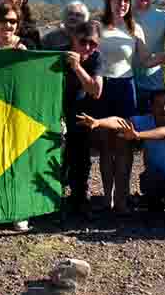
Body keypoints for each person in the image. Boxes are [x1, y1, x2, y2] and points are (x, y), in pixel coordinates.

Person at [91, 0, 165, 215]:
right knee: (105, 146)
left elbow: (146, 60)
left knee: (123, 145)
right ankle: (107, 199)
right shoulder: (97, 26)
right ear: (110, 1)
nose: (122, 4)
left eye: (125, 1)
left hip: (126, 87)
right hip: (103, 89)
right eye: (118, 0)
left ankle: (122, 200)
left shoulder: (135, 28)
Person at [78, 89, 165, 226]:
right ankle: (158, 207)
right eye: (159, 105)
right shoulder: (145, 121)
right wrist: (98, 122)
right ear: (151, 107)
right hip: (162, 179)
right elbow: (119, 121)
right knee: (148, 179)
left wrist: (138, 135)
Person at [60, 21, 104, 219]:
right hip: (57, 112)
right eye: (83, 42)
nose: (87, 47)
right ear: (73, 40)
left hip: (80, 114)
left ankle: (79, 199)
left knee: (81, 159)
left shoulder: (95, 59)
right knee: (58, 159)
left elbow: (95, 91)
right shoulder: (58, 55)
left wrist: (77, 67)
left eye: (93, 43)